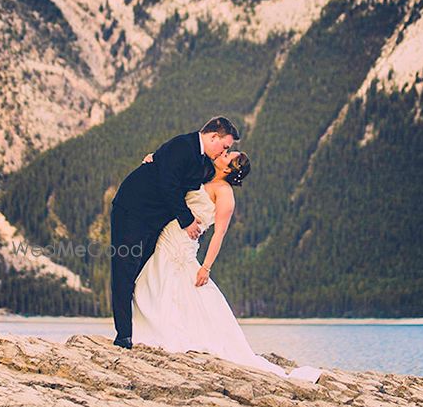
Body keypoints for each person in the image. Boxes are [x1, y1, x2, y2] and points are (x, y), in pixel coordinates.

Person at [131, 147, 321, 383]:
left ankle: (168, 336)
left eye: (228, 156)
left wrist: (206, 267)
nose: (224, 153)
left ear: (230, 169)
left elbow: (219, 234)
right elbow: (172, 181)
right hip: (167, 236)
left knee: (178, 287)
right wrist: (153, 162)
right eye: (226, 152)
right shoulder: (203, 173)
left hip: (183, 245)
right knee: (151, 285)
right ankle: (151, 332)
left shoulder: (225, 194)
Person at [110, 116, 239, 349]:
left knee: (142, 273)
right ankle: (124, 336)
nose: (224, 151)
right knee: (124, 269)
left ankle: (141, 331)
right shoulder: (183, 145)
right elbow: (167, 185)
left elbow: (188, 182)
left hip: (156, 222)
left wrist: (154, 158)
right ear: (213, 137)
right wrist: (188, 220)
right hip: (132, 211)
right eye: (225, 146)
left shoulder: (205, 162)